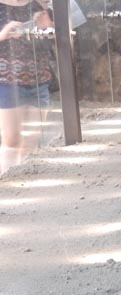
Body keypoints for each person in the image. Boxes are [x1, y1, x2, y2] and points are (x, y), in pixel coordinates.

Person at [0, 0, 52, 173]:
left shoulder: (37, 5)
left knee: (31, 142)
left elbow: (58, 42)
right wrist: (3, 34)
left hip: (39, 79)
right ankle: (7, 186)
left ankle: (26, 186)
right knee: (11, 140)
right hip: (6, 81)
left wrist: (47, 27)